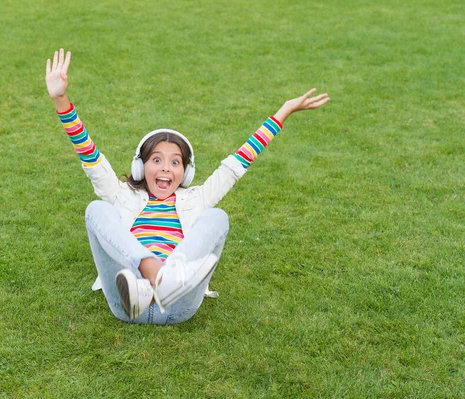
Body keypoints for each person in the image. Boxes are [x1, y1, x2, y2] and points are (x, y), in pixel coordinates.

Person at [45, 48, 330, 325]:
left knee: (217, 217)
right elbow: (89, 154)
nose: (166, 167)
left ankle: (166, 281)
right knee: (96, 209)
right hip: (126, 302)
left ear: (186, 171)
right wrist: (61, 100)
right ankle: (149, 270)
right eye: (156, 159)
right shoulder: (121, 195)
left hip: (178, 307)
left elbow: (238, 162)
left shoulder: (197, 198)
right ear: (140, 167)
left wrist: (284, 111)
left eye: (175, 162)